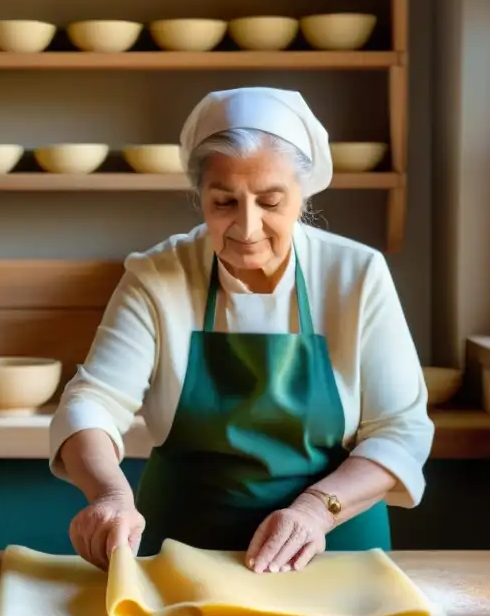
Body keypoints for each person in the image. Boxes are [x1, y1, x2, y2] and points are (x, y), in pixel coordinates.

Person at [49, 86, 433, 577]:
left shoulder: (356, 275)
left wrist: (315, 510)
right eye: (224, 202)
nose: (248, 228)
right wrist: (109, 493)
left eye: (271, 202)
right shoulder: (157, 275)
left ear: (304, 193)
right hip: (184, 549)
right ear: (200, 198)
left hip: (333, 545)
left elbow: (400, 429)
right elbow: (93, 401)